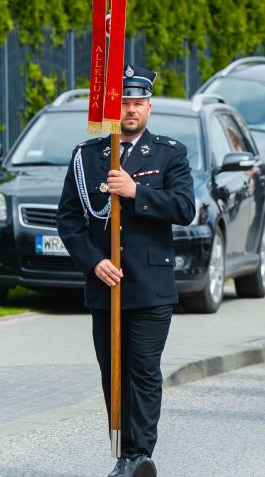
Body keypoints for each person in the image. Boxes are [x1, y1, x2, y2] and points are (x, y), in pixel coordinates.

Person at [56, 65, 196, 477]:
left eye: (137, 103)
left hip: (150, 284)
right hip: (105, 284)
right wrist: (92, 262)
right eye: (123, 103)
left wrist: (138, 192)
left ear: (149, 107)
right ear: (111, 108)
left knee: (143, 371)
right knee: (112, 370)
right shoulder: (87, 157)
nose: (130, 111)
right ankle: (121, 448)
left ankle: (140, 453)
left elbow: (185, 209)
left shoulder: (170, 152)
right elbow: (68, 220)